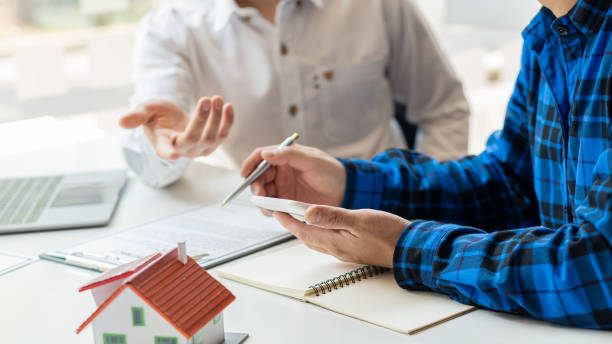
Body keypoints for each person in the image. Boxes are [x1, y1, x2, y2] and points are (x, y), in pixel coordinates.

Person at [240, 0, 612, 329]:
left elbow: (600, 264)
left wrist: (407, 247)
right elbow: (509, 184)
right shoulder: (551, 32)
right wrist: (348, 184)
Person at [118, 0, 469, 188]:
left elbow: (444, 109)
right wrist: (169, 150)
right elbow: (154, 162)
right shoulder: (170, 25)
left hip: (381, 211)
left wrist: (427, 199)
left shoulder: (379, 5)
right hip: (260, 230)